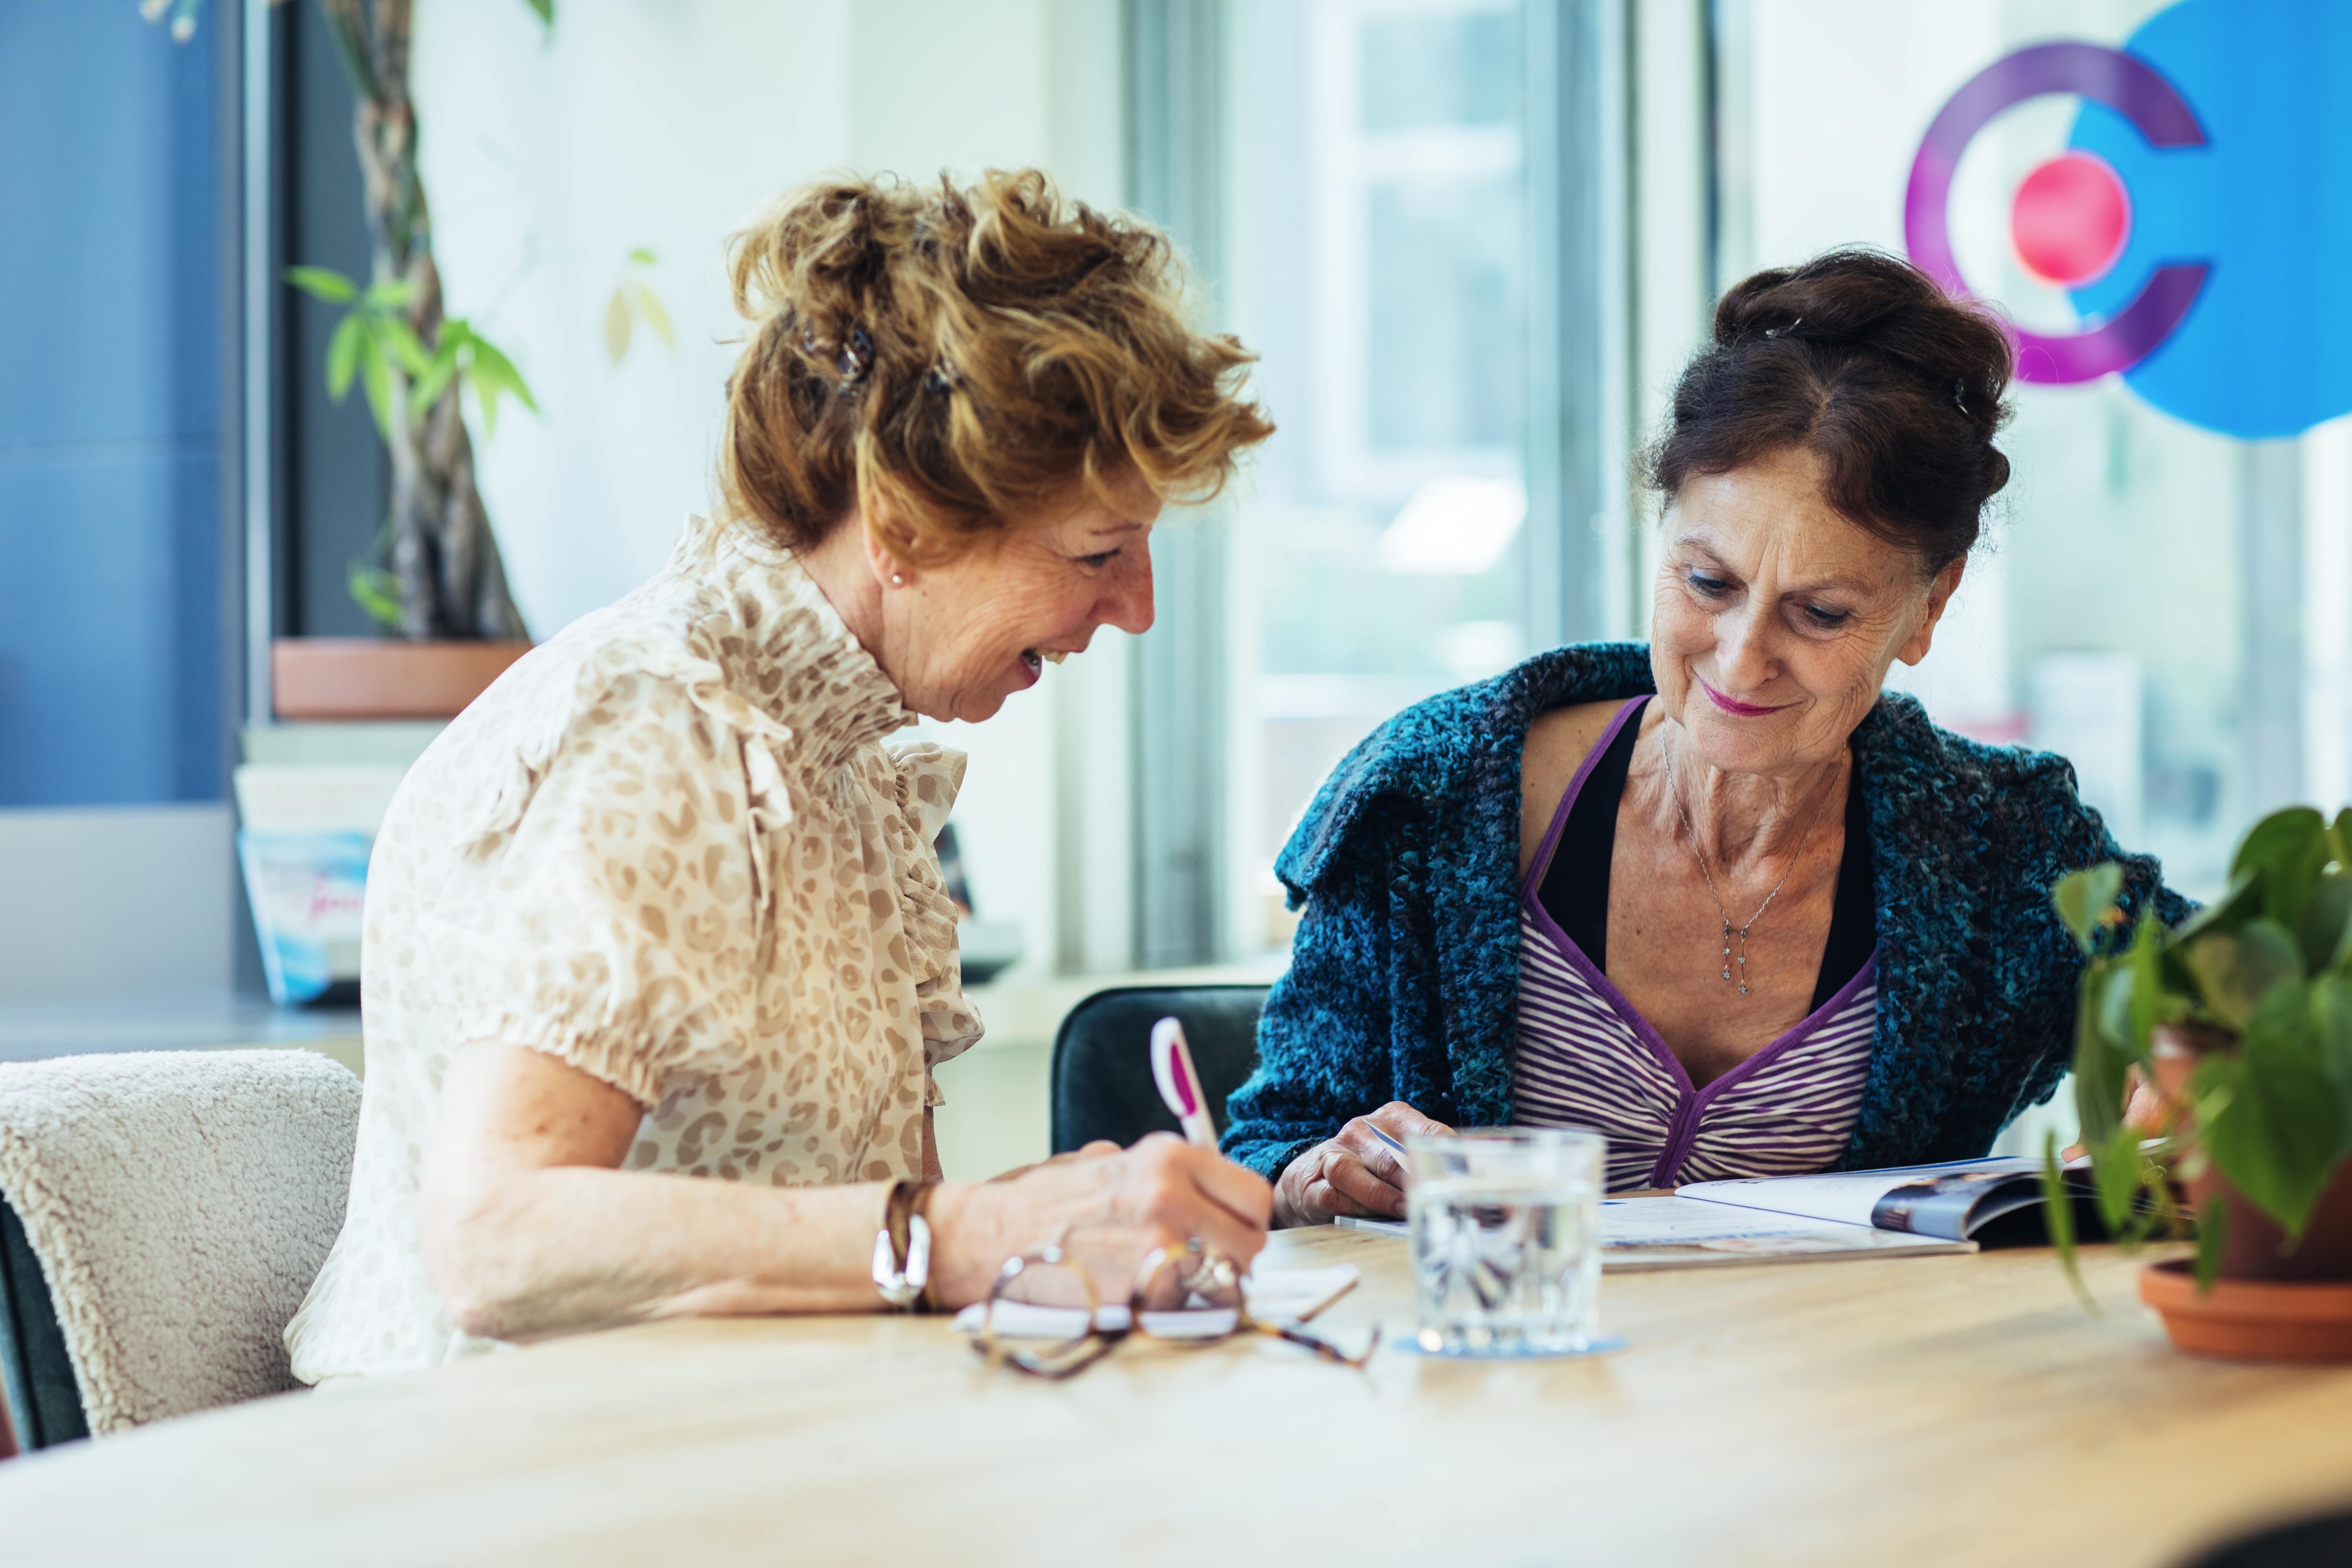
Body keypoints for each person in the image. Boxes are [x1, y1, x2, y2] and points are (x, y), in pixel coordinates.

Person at [288, 171, 1276, 1380]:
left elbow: (835, 1234)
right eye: (1098, 551)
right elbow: (497, 1241)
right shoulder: (658, 726)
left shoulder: (836, 757)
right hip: (514, 1491)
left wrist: (1063, 1220)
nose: (1137, 609)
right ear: (904, 523)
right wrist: (967, 1233)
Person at [1221, 250, 2190, 1226]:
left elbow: (2270, 1006)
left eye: (1819, 613)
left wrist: (2196, 1094)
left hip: (1851, 1381)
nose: (1739, 661)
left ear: (1929, 608)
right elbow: (1266, 1149)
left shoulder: (2007, 850)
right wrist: (1315, 1176)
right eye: (1708, 585)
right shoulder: (1430, 798)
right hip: (1500, 1371)